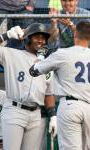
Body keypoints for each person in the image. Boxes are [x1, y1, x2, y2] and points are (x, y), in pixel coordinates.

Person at [0, 23, 57, 150]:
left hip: (35, 114)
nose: (41, 40)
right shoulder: (12, 54)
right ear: (27, 38)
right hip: (15, 110)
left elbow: (48, 94)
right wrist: (6, 35)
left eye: (43, 38)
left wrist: (53, 116)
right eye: (37, 37)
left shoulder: (47, 64)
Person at [29, 21, 90, 149]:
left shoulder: (63, 53)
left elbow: (34, 71)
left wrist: (41, 55)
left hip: (70, 106)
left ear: (75, 35)